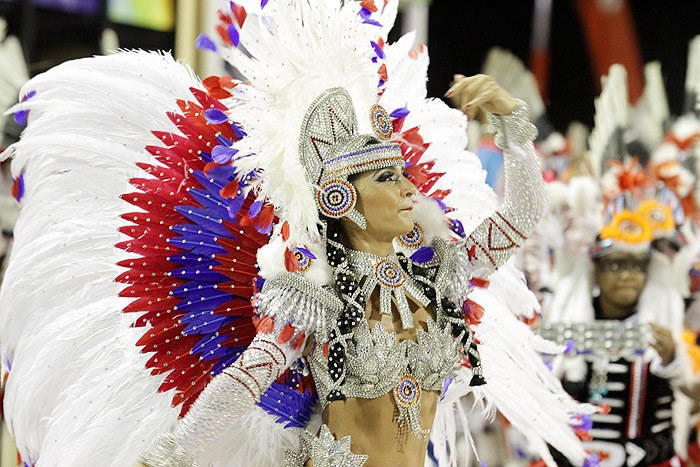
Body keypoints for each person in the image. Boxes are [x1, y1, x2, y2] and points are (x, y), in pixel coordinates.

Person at [0, 1, 596, 466]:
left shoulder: (442, 273)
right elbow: (245, 381)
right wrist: (169, 458)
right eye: (390, 177)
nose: (411, 186)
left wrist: (513, 125)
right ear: (344, 201)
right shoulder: (313, 298)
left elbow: (521, 216)